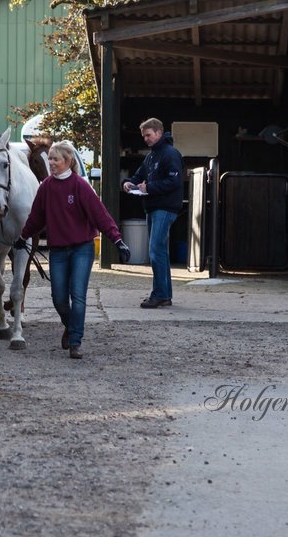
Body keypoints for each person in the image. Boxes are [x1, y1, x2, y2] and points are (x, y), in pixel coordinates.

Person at [19, 140, 129, 360]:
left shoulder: (80, 186)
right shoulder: (46, 188)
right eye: (49, 158)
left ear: (67, 162)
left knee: (77, 296)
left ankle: (76, 342)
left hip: (82, 249)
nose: (50, 163)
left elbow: (100, 215)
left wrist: (117, 240)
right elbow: (36, 217)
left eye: (55, 159)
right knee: (58, 297)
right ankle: (70, 326)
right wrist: (22, 237)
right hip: (58, 250)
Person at [122, 117, 184, 308]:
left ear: (158, 132)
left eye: (148, 135)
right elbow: (139, 175)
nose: (146, 139)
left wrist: (149, 188)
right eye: (144, 136)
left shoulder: (170, 154)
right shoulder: (151, 156)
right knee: (160, 252)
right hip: (154, 207)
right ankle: (164, 295)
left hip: (164, 208)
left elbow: (174, 181)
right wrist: (128, 182)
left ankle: (159, 295)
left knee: (156, 250)